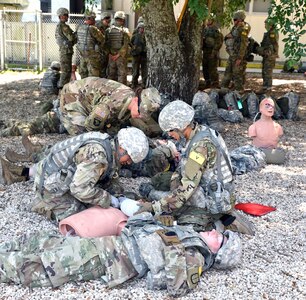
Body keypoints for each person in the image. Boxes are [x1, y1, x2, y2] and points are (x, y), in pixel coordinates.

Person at [0, 212, 242, 297]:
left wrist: (174, 247)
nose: (212, 231)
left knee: (40, 268)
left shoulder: (195, 258)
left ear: (217, 253)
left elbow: (177, 287)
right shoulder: (190, 237)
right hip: (113, 245)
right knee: (43, 241)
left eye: (218, 237)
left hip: (111, 259)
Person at [137, 100, 255, 235]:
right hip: (208, 184)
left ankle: (224, 221)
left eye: (171, 130)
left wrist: (155, 207)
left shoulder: (200, 147)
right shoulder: (201, 131)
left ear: (182, 126)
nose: (169, 134)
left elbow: (187, 189)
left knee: (184, 224)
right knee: (159, 179)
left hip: (212, 198)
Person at [0, 127, 149, 222]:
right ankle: (43, 204)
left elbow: (106, 176)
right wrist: (109, 199)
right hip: (49, 187)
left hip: (63, 176)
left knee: (113, 197)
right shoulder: (97, 156)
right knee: (84, 215)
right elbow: (80, 189)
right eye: (129, 158)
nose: (129, 163)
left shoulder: (107, 144)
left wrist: (119, 197)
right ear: (122, 148)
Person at [0, 77, 161, 138]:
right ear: (135, 100)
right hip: (73, 98)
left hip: (85, 102)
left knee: (49, 124)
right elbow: (91, 126)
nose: (140, 116)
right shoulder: (112, 104)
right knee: (85, 138)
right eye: (140, 112)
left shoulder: (129, 102)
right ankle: (7, 131)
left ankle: (13, 124)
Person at [248, 97, 285, 164]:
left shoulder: (278, 127)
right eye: (267, 105)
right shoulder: (253, 127)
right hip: (258, 155)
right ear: (260, 109)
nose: (270, 108)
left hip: (274, 155)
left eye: (272, 106)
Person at [221, 10, 251, 93]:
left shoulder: (243, 29)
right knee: (228, 72)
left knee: (237, 75)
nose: (233, 21)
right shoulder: (236, 27)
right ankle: (223, 90)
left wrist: (240, 58)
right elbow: (231, 35)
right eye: (233, 19)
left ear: (240, 19)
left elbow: (243, 44)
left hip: (238, 56)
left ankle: (239, 93)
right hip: (232, 55)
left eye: (235, 19)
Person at [75, 11, 105, 79]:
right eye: (93, 19)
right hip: (92, 57)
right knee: (93, 78)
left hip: (82, 55)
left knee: (83, 77)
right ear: (90, 19)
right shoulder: (92, 28)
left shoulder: (79, 27)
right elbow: (102, 39)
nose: (94, 21)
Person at [105, 11, 130, 85]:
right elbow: (125, 45)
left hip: (111, 56)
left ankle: (110, 91)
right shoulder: (125, 31)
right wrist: (118, 55)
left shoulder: (108, 30)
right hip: (120, 57)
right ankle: (122, 93)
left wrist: (110, 54)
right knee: (121, 75)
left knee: (111, 74)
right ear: (122, 20)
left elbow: (105, 44)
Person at [55, 8, 77, 89]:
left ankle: (63, 90)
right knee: (66, 72)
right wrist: (77, 34)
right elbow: (71, 38)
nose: (67, 17)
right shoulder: (64, 26)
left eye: (67, 15)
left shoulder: (59, 25)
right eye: (65, 15)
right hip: (66, 51)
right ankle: (62, 90)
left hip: (64, 51)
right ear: (61, 16)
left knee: (66, 71)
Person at [256, 18, 279, 93]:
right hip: (267, 55)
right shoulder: (269, 33)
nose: (265, 25)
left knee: (267, 72)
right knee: (265, 71)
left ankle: (268, 88)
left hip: (270, 56)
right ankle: (265, 87)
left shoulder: (272, 33)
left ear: (270, 25)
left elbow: (273, 45)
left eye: (266, 24)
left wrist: (269, 52)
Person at [202, 15, 223, 89]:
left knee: (212, 69)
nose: (208, 21)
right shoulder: (205, 29)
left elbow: (219, 42)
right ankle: (207, 82)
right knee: (205, 68)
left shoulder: (215, 30)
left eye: (209, 20)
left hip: (212, 52)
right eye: (207, 20)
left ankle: (215, 84)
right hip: (205, 52)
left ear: (212, 21)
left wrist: (214, 52)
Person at [131, 22, 147, 88]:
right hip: (136, 55)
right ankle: (134, 83)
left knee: (144, 70)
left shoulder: (146, 37)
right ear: (138, 29)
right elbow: (130, 43)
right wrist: (133, 48)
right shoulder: (134, 36)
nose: (142, 30)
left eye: (143, 28)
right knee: (135, 70)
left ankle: (144, 83)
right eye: (140, 28)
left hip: (143, 55)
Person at [96, 12, 112, 78]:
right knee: (99, 68)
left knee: (105, 68)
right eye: (106, 18)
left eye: (109, 18)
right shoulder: (98, 26)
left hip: (105, 51)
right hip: (99, 51)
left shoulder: (108, 27)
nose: (108, 20)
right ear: (102, 19)